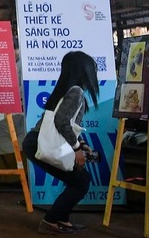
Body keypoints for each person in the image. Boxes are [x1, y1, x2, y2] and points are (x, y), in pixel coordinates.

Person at [22, 51, 100, 235]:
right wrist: (77, 149)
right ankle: (50, 220)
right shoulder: (76, 92)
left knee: (77, 180)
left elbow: (68, 123)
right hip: (38, 143)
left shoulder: (66, 89)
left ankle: (62, 219)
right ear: (83, 70)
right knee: (81, 181)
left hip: (34, 141)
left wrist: (81, 143)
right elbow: (61, 123)